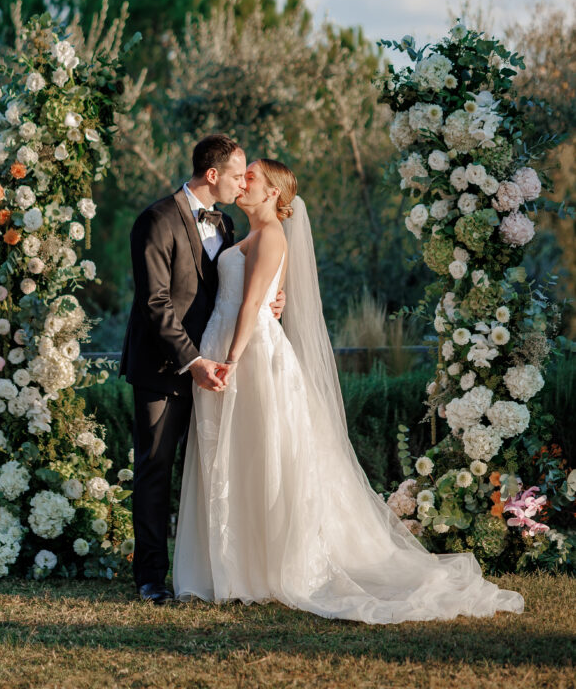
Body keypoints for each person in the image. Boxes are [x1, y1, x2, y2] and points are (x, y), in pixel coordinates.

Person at [173, 158, 525, 623]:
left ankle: (258, 569)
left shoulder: (273, 235)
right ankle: (236, 566)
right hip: (227, 344)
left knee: (261, 455)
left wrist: (232, 360)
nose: (244, 182)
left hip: (252, 355)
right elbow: (255, 293)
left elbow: (254, 305)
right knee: (234, 454)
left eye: (252, 177)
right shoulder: (245, 232)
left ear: (273, 192)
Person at [121, 134, 284, 604]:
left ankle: (219, 570)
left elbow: (234, 289)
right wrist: (192, 361)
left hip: (217, 368)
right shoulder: (155, 220)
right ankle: (150, 577)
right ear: (213, 175)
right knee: (154, 470)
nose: (243, 182)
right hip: (163, 367)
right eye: (237, 175)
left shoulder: (229, 225)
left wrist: (276, 293)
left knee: (215, 468)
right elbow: (154, 303)